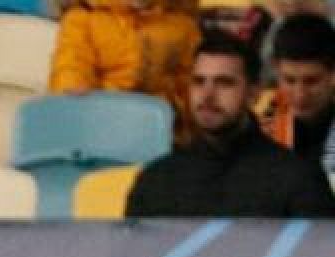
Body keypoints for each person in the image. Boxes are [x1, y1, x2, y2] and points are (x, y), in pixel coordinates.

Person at [127, 32, 335, 216]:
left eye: (224, 83)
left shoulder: (298, 181)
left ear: (253, 93)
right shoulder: (156, 180)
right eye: (199, 81)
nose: (207, 95)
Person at [50, 0, 202, 126]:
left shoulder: (181, 25)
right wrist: (72, 90)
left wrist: (181, 112)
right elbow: (72, 63)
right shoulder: (83, 19)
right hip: (102, 119)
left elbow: (189, 78)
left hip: (161, 124)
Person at [257, 14, 335, 163]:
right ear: (275, 69)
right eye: (289, 80)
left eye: (311, 81)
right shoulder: (256, 125)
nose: (300, 95)